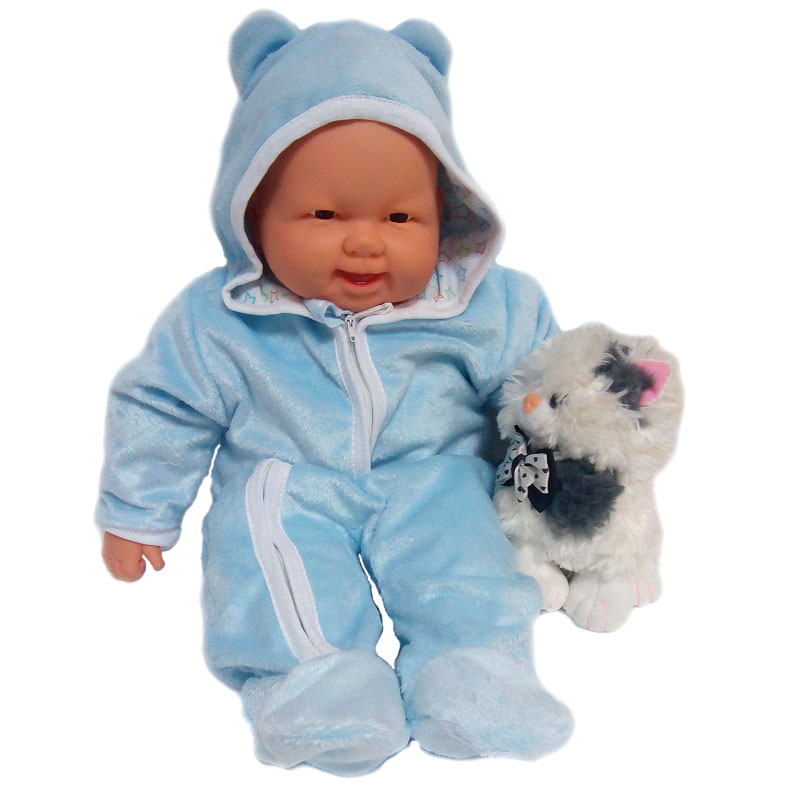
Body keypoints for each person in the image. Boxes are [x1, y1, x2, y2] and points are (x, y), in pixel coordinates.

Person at [96, 11, 572, 775]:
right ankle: (318, 685)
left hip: (436, 474)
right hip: (288, 481)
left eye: (401, 216)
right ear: (253, 212)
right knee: (272, 563)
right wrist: (138, 510)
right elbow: (165, 407)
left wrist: (565, 485)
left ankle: (477, 672)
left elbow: (541, 393)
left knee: (467, 557)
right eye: (324, 214)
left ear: (448, 211)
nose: (365, 240)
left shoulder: (488, 306)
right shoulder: (219, 319)